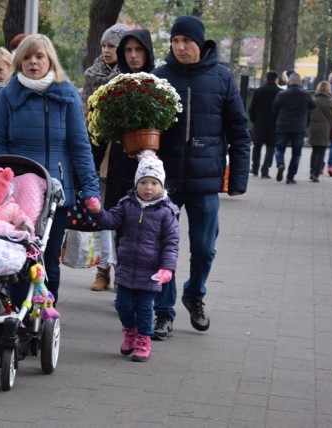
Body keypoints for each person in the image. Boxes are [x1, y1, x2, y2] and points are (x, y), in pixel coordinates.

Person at [152, 15, 251, 338]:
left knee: (205, 248)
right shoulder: (159, 77)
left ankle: (194, 295)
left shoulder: (222, 78)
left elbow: (240, 132)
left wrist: (237, 180)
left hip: (205, 180)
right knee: (162, 248)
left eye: (187, 42)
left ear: (200, 43)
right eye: (175, 41)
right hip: (164, 181)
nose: (180, 47)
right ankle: (163, 312)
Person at [0, 34, 100, 305]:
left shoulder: (67, 94)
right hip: (18, 192)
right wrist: (5, 180)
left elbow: (80, 146)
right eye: (26, 57)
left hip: (55, 193)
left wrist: (91, 189)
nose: (33, 62)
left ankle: (46, 315)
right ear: (18, 62)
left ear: (50, 59)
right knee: (18, 255)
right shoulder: (8, 95)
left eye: (39, 56)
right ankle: (18, 314)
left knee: (49, 258)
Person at [86, 152, 179, 362]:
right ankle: (130, 332)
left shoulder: (167, 211)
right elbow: (110, 221)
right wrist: (98, 211)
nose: (148, 188)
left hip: (150, 272)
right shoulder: (127, 204)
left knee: (145, 308)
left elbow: (171, 244)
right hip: (126, 268)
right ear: (136, 183)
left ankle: (143, 340)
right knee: (122, 305)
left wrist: (167, 269)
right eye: (143, 182)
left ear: (161, 185)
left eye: (154, 183)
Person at [80, 22, 130, 291]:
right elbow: (85, 111)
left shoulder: (131, 75)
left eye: (112, 45)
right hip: (98, 146)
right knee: (101, 213)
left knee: (123, 214)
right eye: (104, 45)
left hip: (122, 152)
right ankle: (102, 270)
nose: (107, 50)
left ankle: (122, 270)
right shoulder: (92, 74)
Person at [273, 72, 316, 184]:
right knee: (296, 153)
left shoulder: (282, 94)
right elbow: (313, 105)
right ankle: (290, 177)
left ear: (289, 81)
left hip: (283, 126)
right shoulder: (305, 95)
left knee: (279, 149)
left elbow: (275, 109)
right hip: (299, 127)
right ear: (300, 82)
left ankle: (280, 164)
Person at [248, 70, 281, 178]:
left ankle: (255, 168)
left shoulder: (259, 91)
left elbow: (251, 108)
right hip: (273, 124)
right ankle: (265, 170)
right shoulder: (279, 92)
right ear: (276, 79)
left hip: (259, 123)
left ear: (266, 79)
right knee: (270, 147)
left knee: (257, 146)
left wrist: (255, 120)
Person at [308, 81, 332, 183]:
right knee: (321, 152)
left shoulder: (313, 100)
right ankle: (316, 174)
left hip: (313, 128)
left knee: (314, 151)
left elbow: (307, 114)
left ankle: (312, 171)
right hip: (326, 129)